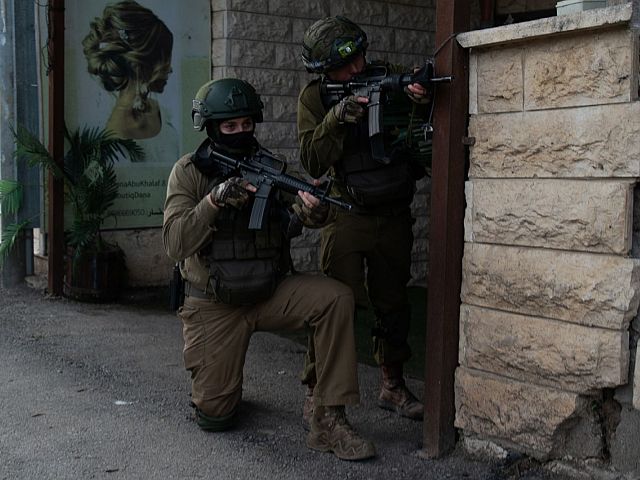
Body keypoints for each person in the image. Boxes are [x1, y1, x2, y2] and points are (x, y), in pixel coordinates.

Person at [162, 78, 376, 461]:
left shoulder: (269, 167)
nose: (240, 132)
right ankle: (224, 388)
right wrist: (213, 201)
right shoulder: (190, 172)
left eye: (247, 124)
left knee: (335, 299)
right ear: (210, 127)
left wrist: (312, 211)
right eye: (230, 126)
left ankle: (329, 419)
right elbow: (175, 244)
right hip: (215, 302)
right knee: (215, 415)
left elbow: (293, 220)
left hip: (269, 292)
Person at [296, 16, 431, 424]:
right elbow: (312, 160)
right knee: (335, 305)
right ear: (324, 71)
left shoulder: (386, 75)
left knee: (394, 303)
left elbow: (421, 121)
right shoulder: (315, 98)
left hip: (392, 211)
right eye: (345, 64)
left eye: (360, 57)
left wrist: (420, 96)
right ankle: (317, 390)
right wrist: (336, 118)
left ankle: (392, 384)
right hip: (346, 213)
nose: (358, 68)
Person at [82, 0, 178, 161]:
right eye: (164, 58)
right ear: (140, 64)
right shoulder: (116, 136)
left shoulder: (159, 112)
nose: (170, 69)